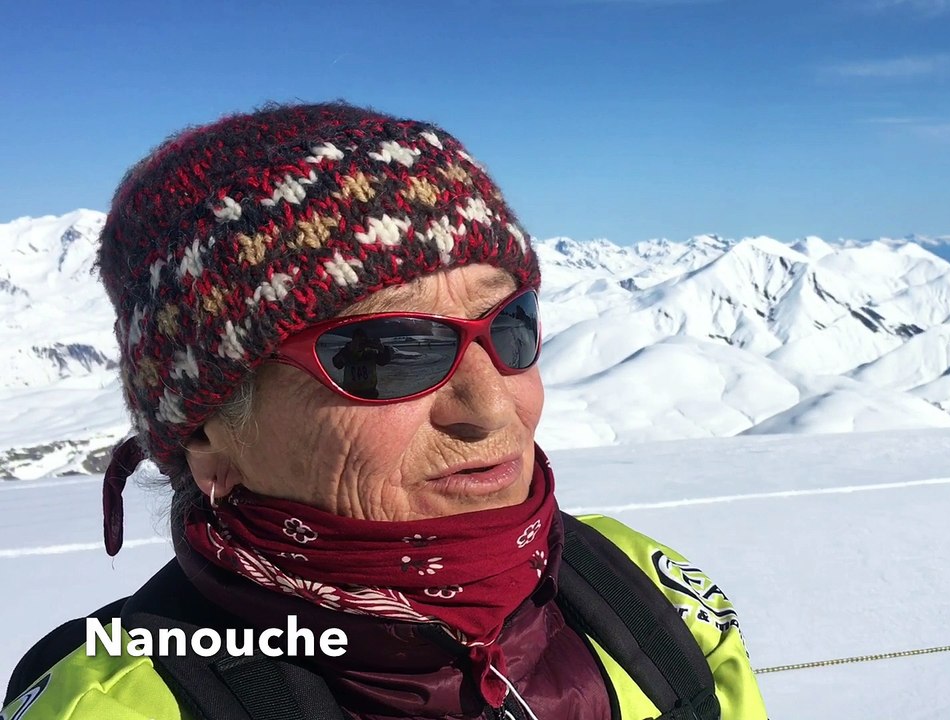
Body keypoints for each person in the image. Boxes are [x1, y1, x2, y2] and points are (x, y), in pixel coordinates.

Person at [3, 103, 768, 720]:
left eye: (510, 326)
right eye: (389, 351)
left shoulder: (645, 593)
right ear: (206, 431)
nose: (492, 404)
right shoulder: (115, 707)